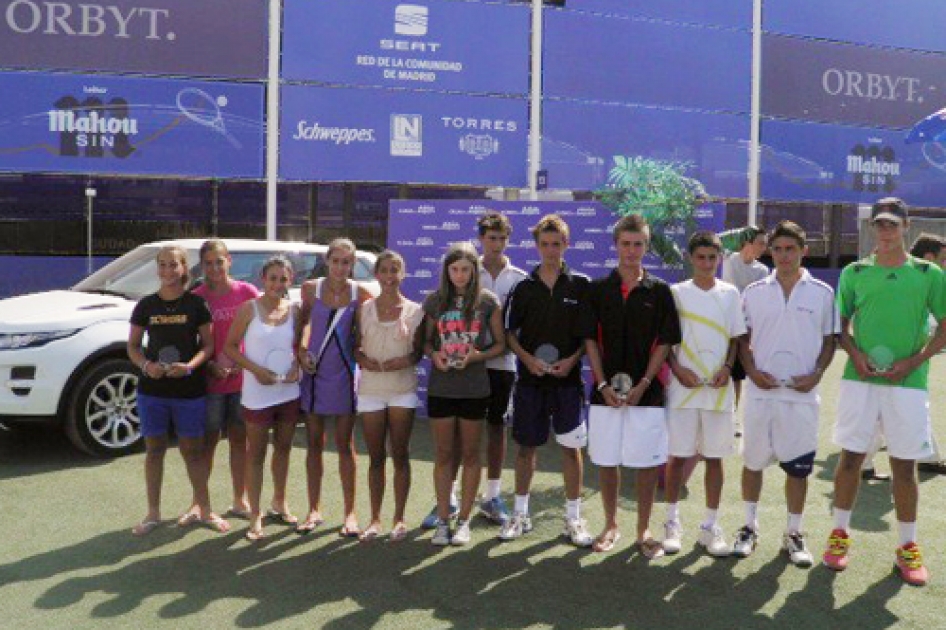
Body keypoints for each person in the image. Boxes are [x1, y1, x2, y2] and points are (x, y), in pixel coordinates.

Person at [824, 198, 946, 587]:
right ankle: (839, 535)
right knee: (849, 461)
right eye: (880, 224)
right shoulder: (854, 271)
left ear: (906, 226)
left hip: (907, 385)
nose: (886, 231)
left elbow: (944, 327)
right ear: (873, 228)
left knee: (904, 468)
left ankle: (907, 547)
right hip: (860, 380)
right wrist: (855, 354)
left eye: (893, 224)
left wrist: (913, 362)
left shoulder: (929, 274)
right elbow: (839, 325)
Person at [734, 220, 837, 567]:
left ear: (803, 251)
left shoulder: (822, 292)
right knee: (752, 464)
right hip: (761, 393)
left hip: (801, 396)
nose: (783, 255)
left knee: (798, 471)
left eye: (790, 248)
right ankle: (748, 527)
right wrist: (750, 371)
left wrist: (817, 374)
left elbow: (829, 341)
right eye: (776, 249)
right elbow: (741, 339)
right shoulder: (753, 292)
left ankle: (793, 533)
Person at [420, 212, 527, 529]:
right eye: (491, 237)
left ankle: (492, 496)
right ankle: (449, 498)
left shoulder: (518, 278)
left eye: (502, 238)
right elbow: (429, 337)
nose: (496, 243)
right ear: (481, 239)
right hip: (457, 373)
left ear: (508, 240)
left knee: (495, 429)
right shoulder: (464, 267)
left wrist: (482, 353)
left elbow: (510, 332)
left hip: (500, 366)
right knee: (452, 439)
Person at [582, 214, 681, 557]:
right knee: (607, 462)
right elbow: (590, 342)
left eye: (638, 244)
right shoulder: (596, 290)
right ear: (616, 245)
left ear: (646, 246)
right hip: (604, 394)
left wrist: (643, 384)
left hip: (647, 394)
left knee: (646, 464)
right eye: (626, 243)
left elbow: (665, 343)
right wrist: (602, 384)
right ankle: (610, 525)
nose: (632, 250)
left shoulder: (661, 291)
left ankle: (643, 529)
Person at [500, 214, 593, 547]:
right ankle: (520, 515)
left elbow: (589, 336)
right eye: (545, 244)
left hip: (567, 383)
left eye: (557, 244)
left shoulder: (581, 285)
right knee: (526, 449)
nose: (551, 250)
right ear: (537, 246)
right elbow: (509, 333)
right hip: (530, 382)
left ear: (566, 244)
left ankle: (573, 519)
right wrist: (528, 360)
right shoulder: (523, 287)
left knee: (572, 450)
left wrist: (572, 360)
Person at [127, 245, 229, 536]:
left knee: (193, 453)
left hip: (189, 392)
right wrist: (147, 366)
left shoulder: (196, 305)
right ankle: (153, 514)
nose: (168, 270)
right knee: (154, 450)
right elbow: (133, 347)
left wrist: (190, 366)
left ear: (184, 268)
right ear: (157, 268)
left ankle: (205, 509)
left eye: (174, 265)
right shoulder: (145, 305)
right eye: (162, 265)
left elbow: (208, 346)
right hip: (152, 392)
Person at [662, 231, 745, 557]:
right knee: (678, 456)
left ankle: (710, 527)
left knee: (715, 458)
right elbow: (667, 342)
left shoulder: (730, 294)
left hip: (718, 392)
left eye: (713, 258)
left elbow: (736, 340)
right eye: (701, 257)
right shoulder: (676, 293)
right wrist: (678, 370)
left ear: (720, 258)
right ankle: (671, 522)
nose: (707, 263)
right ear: (690, 258)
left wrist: (727, 367)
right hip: (683, 391)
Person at [421, 241, 506, 546]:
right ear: (446, 270)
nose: (459, 275)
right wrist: (435, 356)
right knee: (444, 455)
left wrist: (475, 356)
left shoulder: (487, 301)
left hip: (474, 388)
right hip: (441, 387)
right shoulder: (434, 301)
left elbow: (500, 345)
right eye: (454, 269)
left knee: (471, 455)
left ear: (474, 271)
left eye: (465, 270)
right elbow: (425, 342)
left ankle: (465, 521)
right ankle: (444, 520)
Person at [298, 238, 373, 536]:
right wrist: (303, 352)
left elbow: (365, 333)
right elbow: (304, 323)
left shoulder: (360, 293)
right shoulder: (310, 289)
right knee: (314, 444)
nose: (341, 267)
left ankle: (350, 514)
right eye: (336, 260)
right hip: (313, 375)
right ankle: (313, 509)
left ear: (352, 264)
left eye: (346, 262)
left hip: (343, 376)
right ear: (327, 261)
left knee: (345, 446)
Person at [181, 239, 260, 525]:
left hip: (242, 383)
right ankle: (198, 503)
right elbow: (191, 342)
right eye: (208, 263)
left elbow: (259, 335)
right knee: (208, 443)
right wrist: (210, 365)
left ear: (230, 261)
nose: (214, 268)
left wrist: (243, 364)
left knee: (240, 441)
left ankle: (240, 500)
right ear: (202, 266)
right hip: (210, 385)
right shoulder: (196, 297)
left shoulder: (247, 292)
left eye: (219, 261)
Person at [224, 256, 301, 541]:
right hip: (257, 395)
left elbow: (300, 347)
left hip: (289, 393)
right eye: (272, 278)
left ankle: (279, 503)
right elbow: (230, 347)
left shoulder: (295, 310)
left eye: (283, 279)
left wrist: (297, 366)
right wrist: (256, 371)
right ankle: (255, 514)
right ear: (263, 280)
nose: (277, 284)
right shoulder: (248, 309)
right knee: (255, 455)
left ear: (290, 281)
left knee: (283, 449)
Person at [860, 232, 946, 480]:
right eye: (943, 259)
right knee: (881, 413)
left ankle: (927, 457)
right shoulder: (904, 279)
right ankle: (862, 462)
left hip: (913, 364)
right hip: (888, 362)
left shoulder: (930, 280)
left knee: (912, 407)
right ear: (929, 257)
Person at [354, 251, 425, 542]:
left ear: (403, 273)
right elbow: (355, 347)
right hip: (371, 390)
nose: (388, 276)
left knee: (400, 455)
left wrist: (406, 360)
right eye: (383, 270)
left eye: (394, 270)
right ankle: (374, 519)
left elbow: (419, 351)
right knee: (375, 458)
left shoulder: (416, 311)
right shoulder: (364, 309)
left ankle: (399, 519)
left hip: (402, 390)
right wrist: (362, 359)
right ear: (376, 274)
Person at [721, 226, 768, 416]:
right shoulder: (729, 259)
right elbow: (715, 239)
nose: (764, 247)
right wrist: (743, 231)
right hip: (724, 326)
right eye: (760, 243)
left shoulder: (763, 270)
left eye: (765, 244)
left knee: (737, 377)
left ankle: (733, 416)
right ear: (747, 243)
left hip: (746, 329)